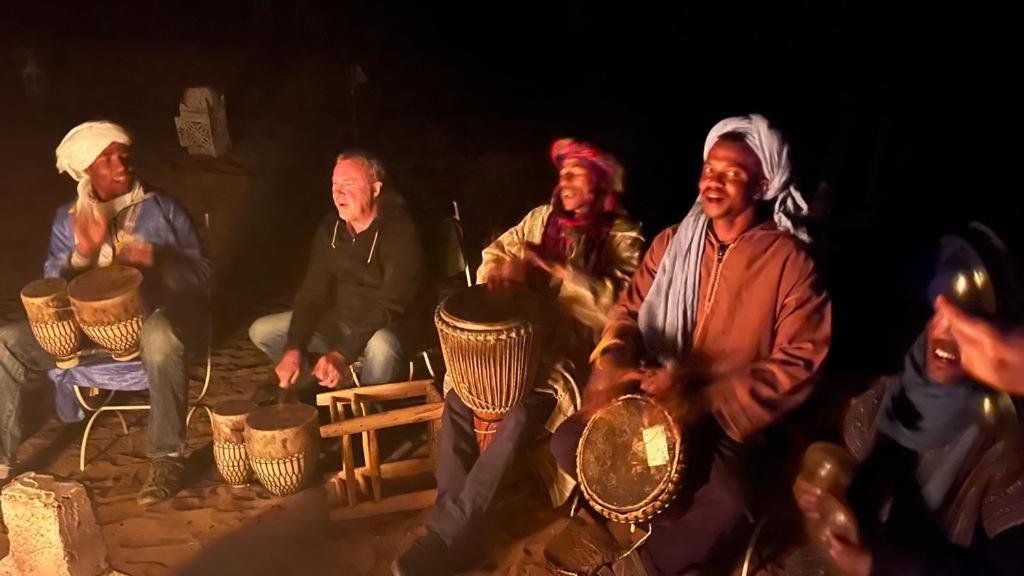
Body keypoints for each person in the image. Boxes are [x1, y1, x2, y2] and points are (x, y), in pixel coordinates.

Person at [551, 115, 832, 575]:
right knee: (569, 443)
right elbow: (629, 310)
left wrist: (704, 396)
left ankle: (647, 563)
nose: (713, 182)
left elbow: (802, 360)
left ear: (761, 185)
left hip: (729, 414)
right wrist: (617, 354)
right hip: (653, 395)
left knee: (728, 494)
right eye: (709, 169)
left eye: (731, 174)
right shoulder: (671, 243)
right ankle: (631, 524)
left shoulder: (790, 264)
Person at [393, 138, 644, 576]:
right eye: (561, 173)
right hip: (513, 354)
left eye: (575, 174)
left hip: (567, 360)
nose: (563, 182)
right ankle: (456, 528)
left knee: (517, 419)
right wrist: (502, 276)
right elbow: (495, 254)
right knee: (456, 402)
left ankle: (446, 535)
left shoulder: (622, 238)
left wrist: (558, 270)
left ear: (600, 182)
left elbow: (619, 303)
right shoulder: (540, 220)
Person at [791, 224, 1024, 576]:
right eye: (940, 313)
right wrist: (819, 486)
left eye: (967, 319)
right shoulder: (905, 389)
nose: (943, 334)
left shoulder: (1007, 449)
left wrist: (880, 564)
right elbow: (846, 454)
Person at [0, 121, 211, 505]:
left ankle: (167, 458)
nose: (120, 164)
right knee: (9, 340)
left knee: (160, 336)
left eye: (123, 155)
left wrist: (157, 260)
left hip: (154, 321)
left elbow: (203, 275)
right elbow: (52, 284)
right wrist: (83, 253)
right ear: (87, 171)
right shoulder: (70, 218)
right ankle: (1, 462)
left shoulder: (161, 209)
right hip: (87, 331)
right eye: (107, 158)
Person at [248, 151, 424, 393]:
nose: (337, 192)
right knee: (263, 330)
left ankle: (372, 412)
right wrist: (293, 348)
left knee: (383, 346)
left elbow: (391, 305)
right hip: (341, 320)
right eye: (334, 184)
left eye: (348, 184)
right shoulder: (330, 229)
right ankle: (321, 383)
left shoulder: (400, 231)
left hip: (384, 327)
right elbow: (312, 293)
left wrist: (342, 353)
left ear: (375, 189)